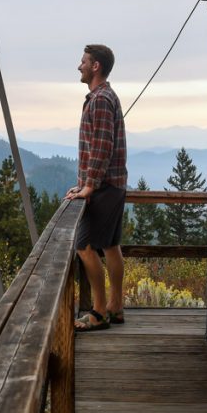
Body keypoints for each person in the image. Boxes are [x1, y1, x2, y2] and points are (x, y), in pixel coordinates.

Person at [65, 44, 127, 331]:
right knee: (111, 246)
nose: (79, 66)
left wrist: (89, 186)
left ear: (96, 66)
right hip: (111, 184)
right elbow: (99, 147)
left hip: (103, 187)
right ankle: (116, 307)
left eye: (83, 62)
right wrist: (82, 184)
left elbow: (101, 147)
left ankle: (99, 312)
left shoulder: (101, 99)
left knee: (84, 246)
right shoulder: (104, 97)